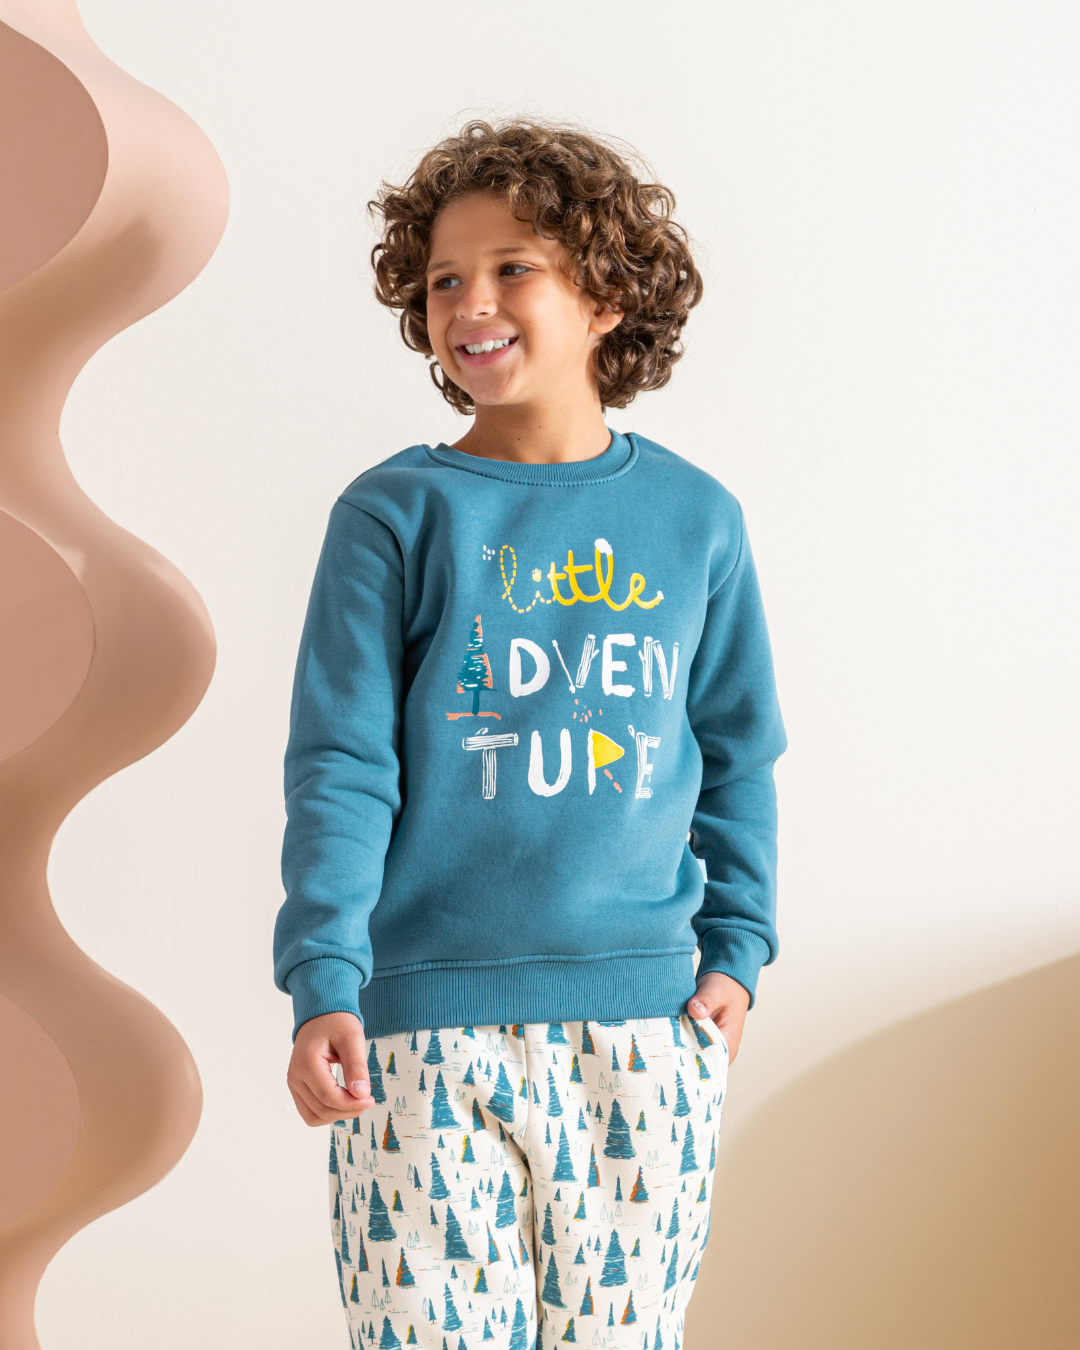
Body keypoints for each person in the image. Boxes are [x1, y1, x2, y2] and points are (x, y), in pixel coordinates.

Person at [273, 117, 786, 1350]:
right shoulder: (394, 515)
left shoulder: (697, 520)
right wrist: (323, 974)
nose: (471, 304)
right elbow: (342, 763)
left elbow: (738, 753)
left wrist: (738, 949)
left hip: (646, 1034)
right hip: (420, 1038)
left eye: (514, 268)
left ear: (607, 297)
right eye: (444, 279)